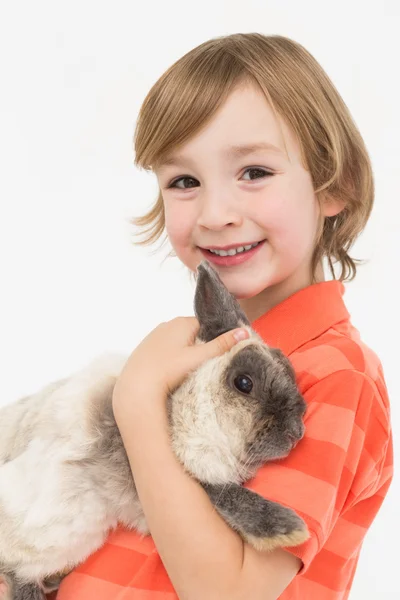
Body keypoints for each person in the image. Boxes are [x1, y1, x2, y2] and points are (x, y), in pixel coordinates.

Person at [53, 33, 393, 600]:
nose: (215, 214)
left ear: (335, 185)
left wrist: (137, 402)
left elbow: (227, 591)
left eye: (254, 172)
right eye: (184, 182)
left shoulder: (335, 376)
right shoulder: (194, 359)